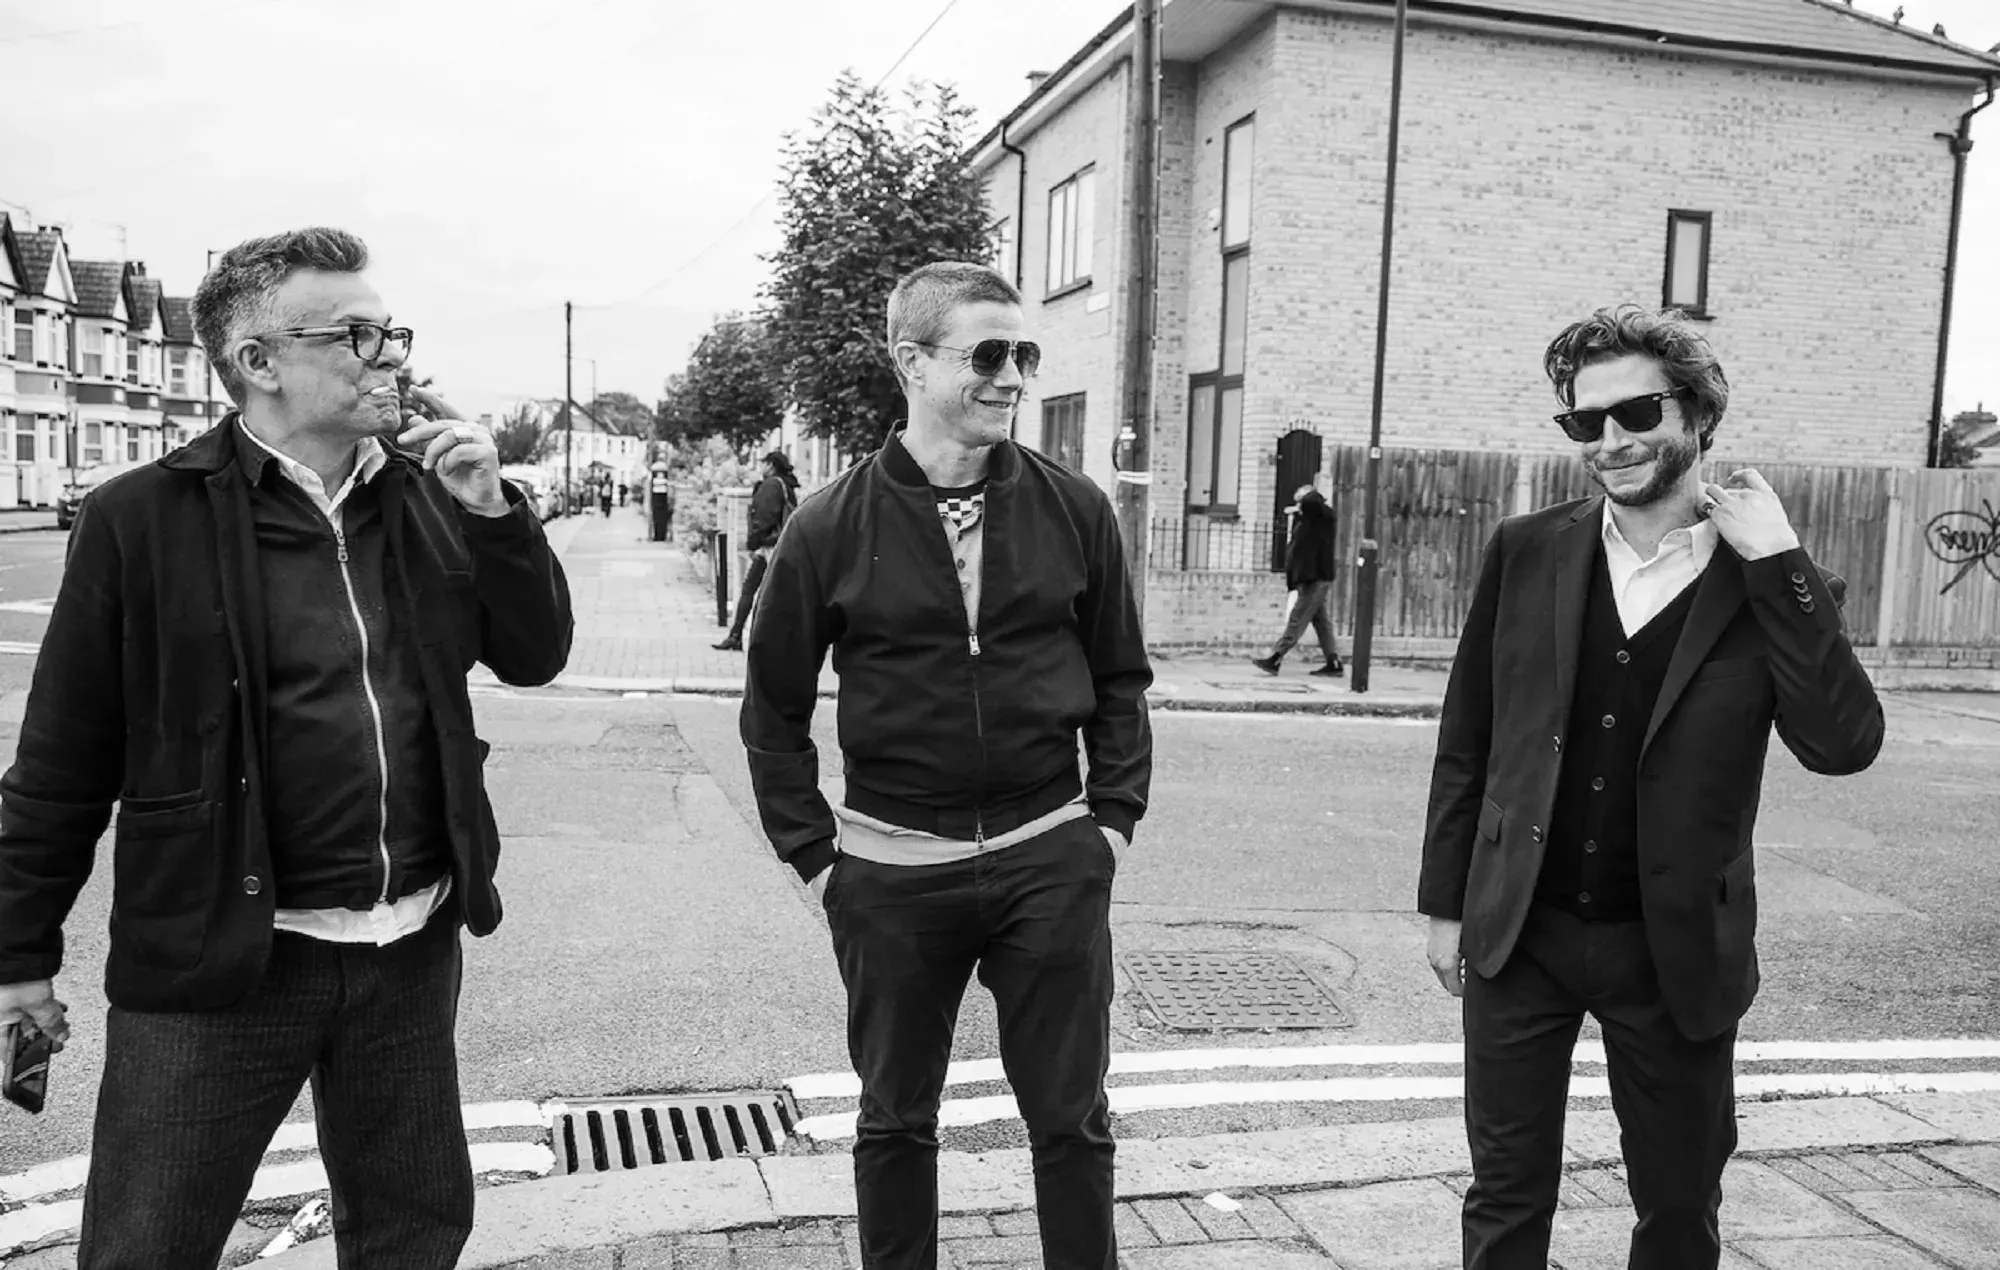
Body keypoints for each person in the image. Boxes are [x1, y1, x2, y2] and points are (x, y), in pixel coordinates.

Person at [0, 227, 574, 1268]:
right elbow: (62, 756)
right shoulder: (143, 517)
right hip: (221, 955)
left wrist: (495, 512)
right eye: (356, 335)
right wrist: (18, 955)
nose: (388, 355)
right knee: (147, 1245)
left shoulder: (430, 495)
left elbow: (534, 654)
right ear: (259, 362)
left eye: (391, 331)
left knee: (412, 1232)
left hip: (408, 945)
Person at [1418, 304, 1883, 1269]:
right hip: (1521, 931)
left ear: (1698, 415)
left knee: (1676, 1205)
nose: (1611, 441)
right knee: (1504, 1194)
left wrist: (1781, 562)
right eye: (1585, 422)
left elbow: (1842, 745)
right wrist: (1445, 904)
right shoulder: (1526, 550)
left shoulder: (1771, 582)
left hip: (1674, 948)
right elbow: (1469, 739)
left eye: (1636, 413)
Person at [741, 261, 1152, 1270]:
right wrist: (816, 860)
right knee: (894, 1122)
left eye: (1024, 354)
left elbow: (1119, 678)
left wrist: (1106, 824)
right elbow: (772, 711)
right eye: (988, 354)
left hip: (1047, 853)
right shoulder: (826, 524)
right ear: (912, 362)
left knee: (1072, 1119)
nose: (1012, 376)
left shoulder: (1075, 509)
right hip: (890, 871)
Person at [1250, 480, 1344, 677]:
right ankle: (1333, 662)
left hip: (1315, 577)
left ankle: (1275, 657)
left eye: (1300, 502)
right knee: (1321, 622)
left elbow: (1312, 502)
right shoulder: (1309, 520)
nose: (1298, 506)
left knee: (1297, 618)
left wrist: (1304, 500)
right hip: (1311, 577)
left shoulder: (1321, 516)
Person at [712, 450, 799, 651]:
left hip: (769, 546)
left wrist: (754, 541)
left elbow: (765, 516)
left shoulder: (771, 486)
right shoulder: (785, 485)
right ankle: (737, 635)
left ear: (771, 465)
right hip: (777, 543)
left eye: (764, 463)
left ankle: (742, 636)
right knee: (757, 589)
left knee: (758, 591)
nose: (761, 467)